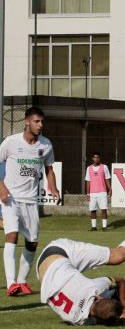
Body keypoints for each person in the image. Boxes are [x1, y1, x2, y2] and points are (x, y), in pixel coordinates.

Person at [37, 231, 125, 325]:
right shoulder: (77, 318)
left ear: (98, 297)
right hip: (44, 274)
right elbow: (100, 314)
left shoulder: (91, 291)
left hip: (59, 252)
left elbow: (120, 281)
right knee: (111, 292)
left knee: (118, 256)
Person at [0, 107, 60, 297]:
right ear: (27, 122)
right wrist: (2, 188)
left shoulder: (46, 145)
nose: (40, 125)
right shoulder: (10, 142)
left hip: (31, 200)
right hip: (11, 199)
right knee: (12, 236)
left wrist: (54, 187)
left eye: (42, 121)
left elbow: (49, 169)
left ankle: (22, 280)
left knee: (32, 242)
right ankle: (11, 283)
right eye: (36, 121)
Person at [85, 152, 112, 232]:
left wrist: (110, 189)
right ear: (92, 158)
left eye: (97, 157)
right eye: (94, 157)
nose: (96, 159)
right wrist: (87, 193)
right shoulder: (89, 168)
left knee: (104, 210)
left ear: (99, 158)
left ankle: (104, 227)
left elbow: (107, 179)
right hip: (92, 193)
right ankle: (94, 227)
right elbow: (88, 181)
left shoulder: (104, 167)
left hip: (102, 192)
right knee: (93, 210)